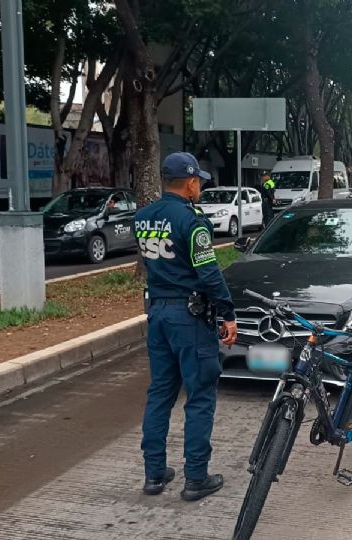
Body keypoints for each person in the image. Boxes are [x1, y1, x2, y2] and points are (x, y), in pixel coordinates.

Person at [134, 151, 238, 501]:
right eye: (199, 183)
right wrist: (228, 313)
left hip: (158, 314)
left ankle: (154, 474)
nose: (200, 188)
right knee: (200, 395)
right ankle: (196, 477)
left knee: (160, 393)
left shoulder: (144, 217)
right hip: (189, 319)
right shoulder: (193, 221)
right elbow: (208, 273)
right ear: (191, 182)